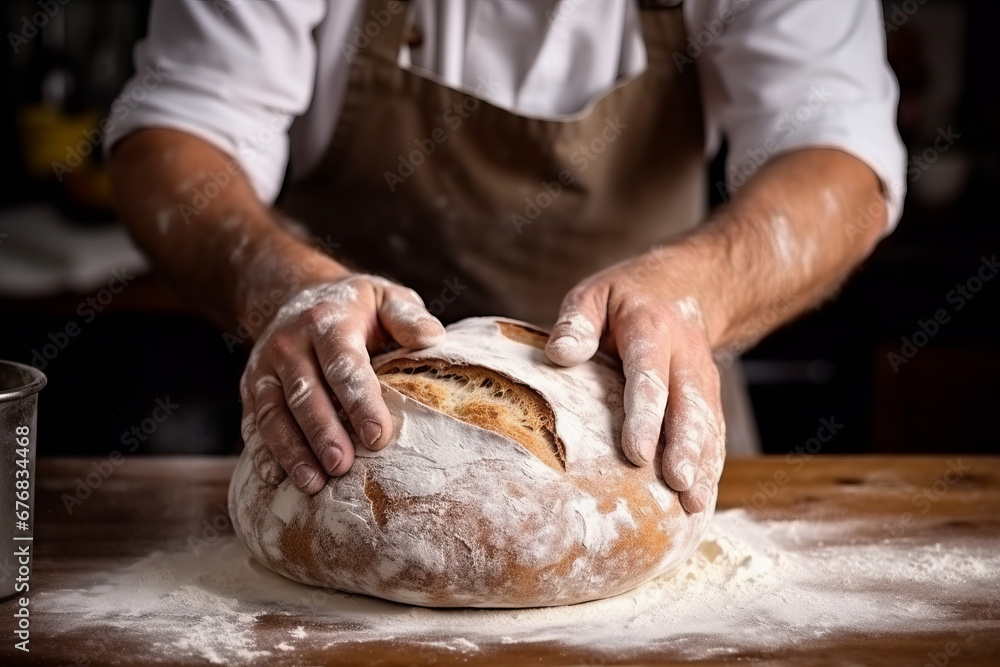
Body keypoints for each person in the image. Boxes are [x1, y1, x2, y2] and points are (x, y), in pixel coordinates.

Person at [106, 0, 905, 514]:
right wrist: (282, 284)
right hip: (333, 433)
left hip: (648, 433)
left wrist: (695, 288)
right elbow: (175, 134)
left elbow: (837, 152)